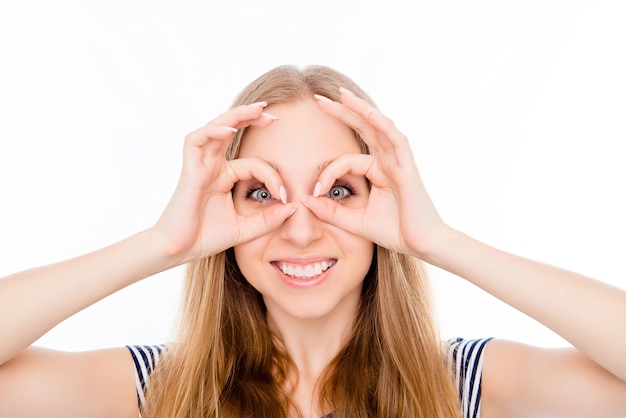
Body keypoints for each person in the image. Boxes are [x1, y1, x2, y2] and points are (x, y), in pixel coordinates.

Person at [0, 65, 625, 418]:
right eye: (262, 193)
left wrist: (436, 241)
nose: (300, 229)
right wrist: (162, 243)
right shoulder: (156, 390)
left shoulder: (467, 384)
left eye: (340, 191)